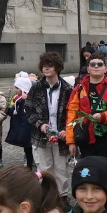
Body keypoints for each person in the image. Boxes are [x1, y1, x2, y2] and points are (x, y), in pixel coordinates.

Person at [25, 52, 74, 200]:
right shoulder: (36, 88)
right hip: (41, 136)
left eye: (50, 65)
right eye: (44, 65)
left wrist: (67, 129)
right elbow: (29, 110)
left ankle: (62, 198)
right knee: (44, 169)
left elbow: (72, 113)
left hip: (60, 136)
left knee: (61, 169)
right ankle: (48, 198)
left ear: (57, 68)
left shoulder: (67, 89)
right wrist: (40, 124)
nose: (46, 68)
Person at [65, 53, 107, 164]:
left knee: (106, 171)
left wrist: (103, 117)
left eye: (100, 64)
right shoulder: (79, 89)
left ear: (105, 68)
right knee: (88, 172)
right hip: (86, 140)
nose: (96, 66)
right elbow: (71, 116)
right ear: (88, 69)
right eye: (92, 64)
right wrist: (71, 142)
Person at [5, 72, 35, 171]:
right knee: (27, 150)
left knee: (30, 149)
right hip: (22, 130)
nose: (15, 90)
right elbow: (15, 114)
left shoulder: (26, 101)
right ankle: (29, 165)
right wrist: (9, 109)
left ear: (23, 89)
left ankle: (30, 166)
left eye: (17, 88)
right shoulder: (19, 100)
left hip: (27, 130)